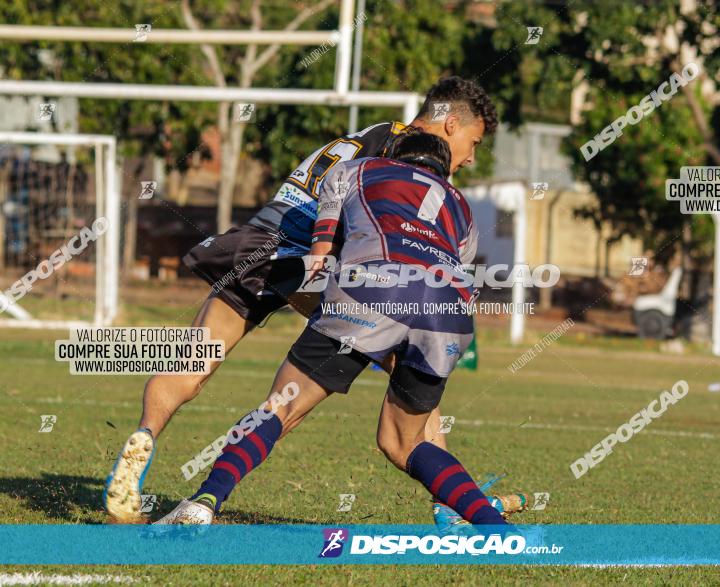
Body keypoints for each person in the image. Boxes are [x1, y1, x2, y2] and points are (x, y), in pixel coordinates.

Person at [104, 77, 499, 523]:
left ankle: (143, 439)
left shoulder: (368, 133)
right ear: (449, 125)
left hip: (255, 243)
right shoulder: (401, 152)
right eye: (474, 141)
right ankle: (448, 502)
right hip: (309, 254)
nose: (469, 156)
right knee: (395, 349)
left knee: (192, 364)